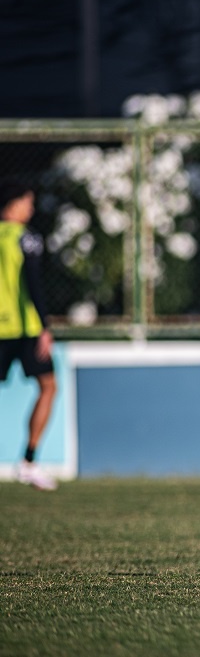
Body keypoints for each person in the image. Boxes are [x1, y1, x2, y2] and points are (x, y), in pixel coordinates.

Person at [0, 181, 58, 491]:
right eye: (27, 201)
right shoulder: (27, 239)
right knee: (48, 386)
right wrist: (44, 327)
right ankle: (29, 462)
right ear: (13, 203)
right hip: (23, 327)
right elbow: (33, 282)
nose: (31, 209)